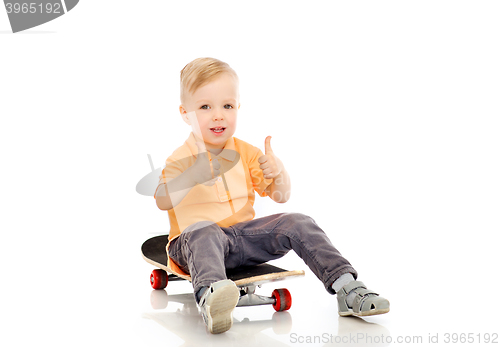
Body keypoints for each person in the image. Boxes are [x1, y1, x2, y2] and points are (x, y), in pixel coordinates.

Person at [154, 57, 389, 334]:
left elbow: (280, 196)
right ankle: (211, 297)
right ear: (185, 113)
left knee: (298, 221)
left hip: (242, 240)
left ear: (238, 107)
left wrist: (279, 174)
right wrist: (190, 176)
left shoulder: (247, 153)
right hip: (193, 244)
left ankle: (348, 288)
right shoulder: (181, 159)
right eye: (205, 107)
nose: (218, 115)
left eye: (227, 106)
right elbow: (162, 200)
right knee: (204, 230)